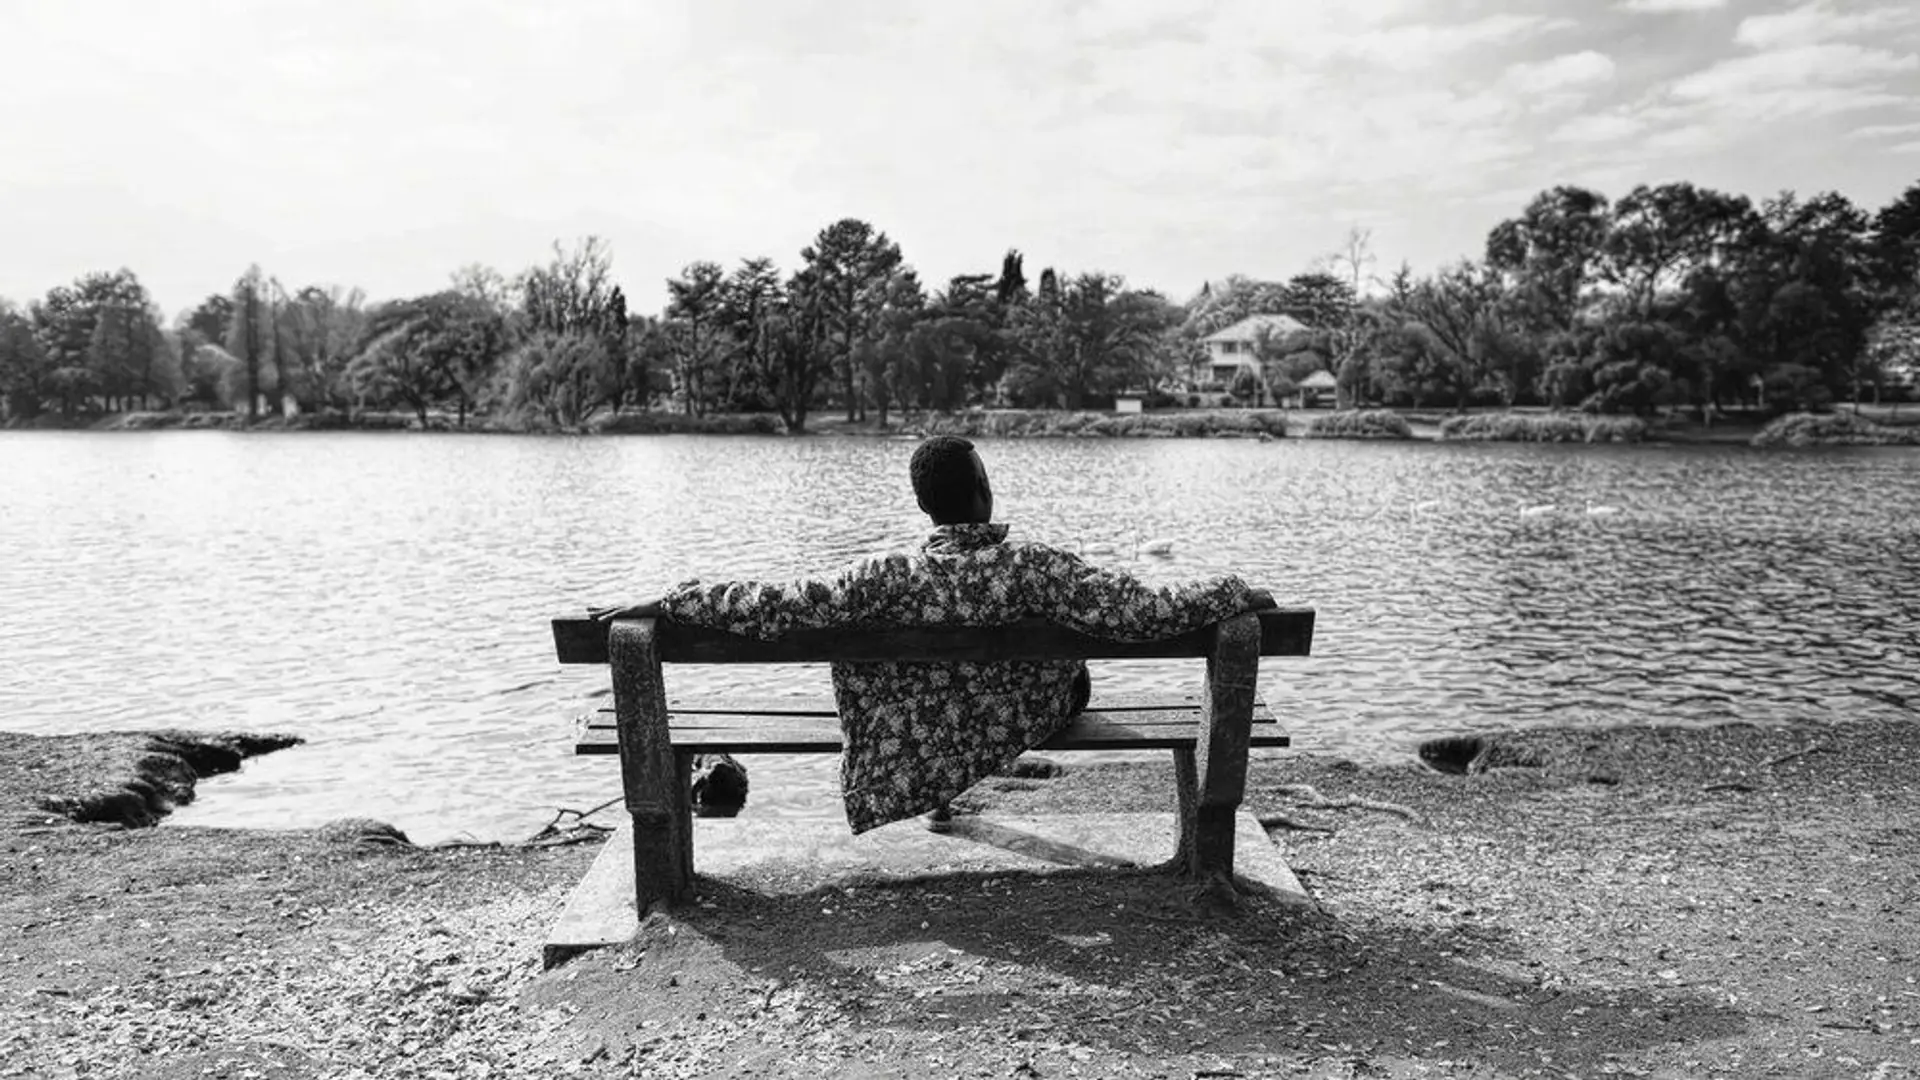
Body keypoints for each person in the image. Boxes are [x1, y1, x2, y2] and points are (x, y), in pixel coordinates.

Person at [593, 435, 1273, 836]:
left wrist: (675, 599)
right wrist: (1234, 591)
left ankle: (940, 785)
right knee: (1066, 669)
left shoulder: (883, 576)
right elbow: (1143, 611)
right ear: (985, 490)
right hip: (1022, 716)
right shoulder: (1037, 566)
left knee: (926, 682)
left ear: (923, 506)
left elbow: (771, 605)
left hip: (917, 732)